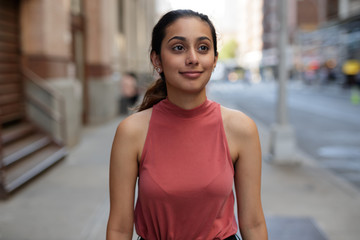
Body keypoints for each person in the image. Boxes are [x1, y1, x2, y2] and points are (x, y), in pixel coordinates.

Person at [107, 9, 267, 240]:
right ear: (157, 60)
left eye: (203, 47)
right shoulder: (131, 132)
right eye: (178, 48)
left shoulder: (241, 128)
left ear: (214, 59)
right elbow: (119, 228)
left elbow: (253, 223)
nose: (193, 58)